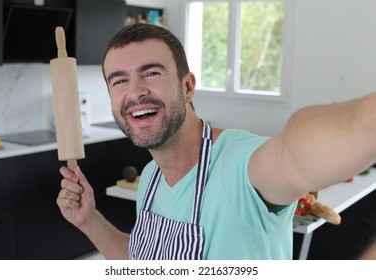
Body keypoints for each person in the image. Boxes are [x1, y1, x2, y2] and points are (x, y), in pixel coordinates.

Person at [56, 23, 376, 260]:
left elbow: (293, 154)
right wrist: (90, 221)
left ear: (188, 87)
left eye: (151, 73)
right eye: (120, 80)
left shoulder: (238, 164)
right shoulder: (151, 178)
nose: (135, 91)